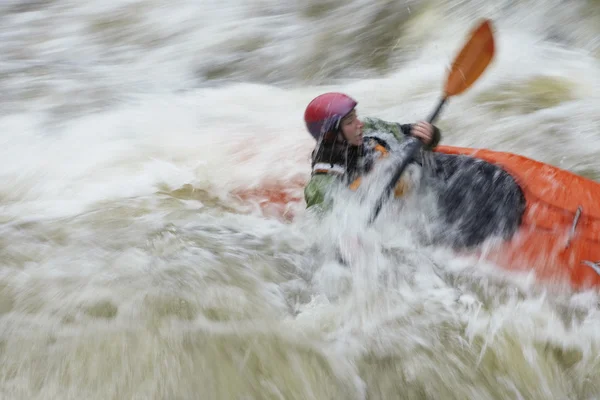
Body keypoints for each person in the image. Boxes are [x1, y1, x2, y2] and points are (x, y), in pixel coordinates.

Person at [303, 92, 441, 210]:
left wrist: (430, 135)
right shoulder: (322, 187)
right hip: (395, 224)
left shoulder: (370, 128)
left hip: (419, 194)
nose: (360, 124)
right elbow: (326, 233)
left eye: (355, 116)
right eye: (350, 122)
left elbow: (411, 135)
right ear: (332, 135)